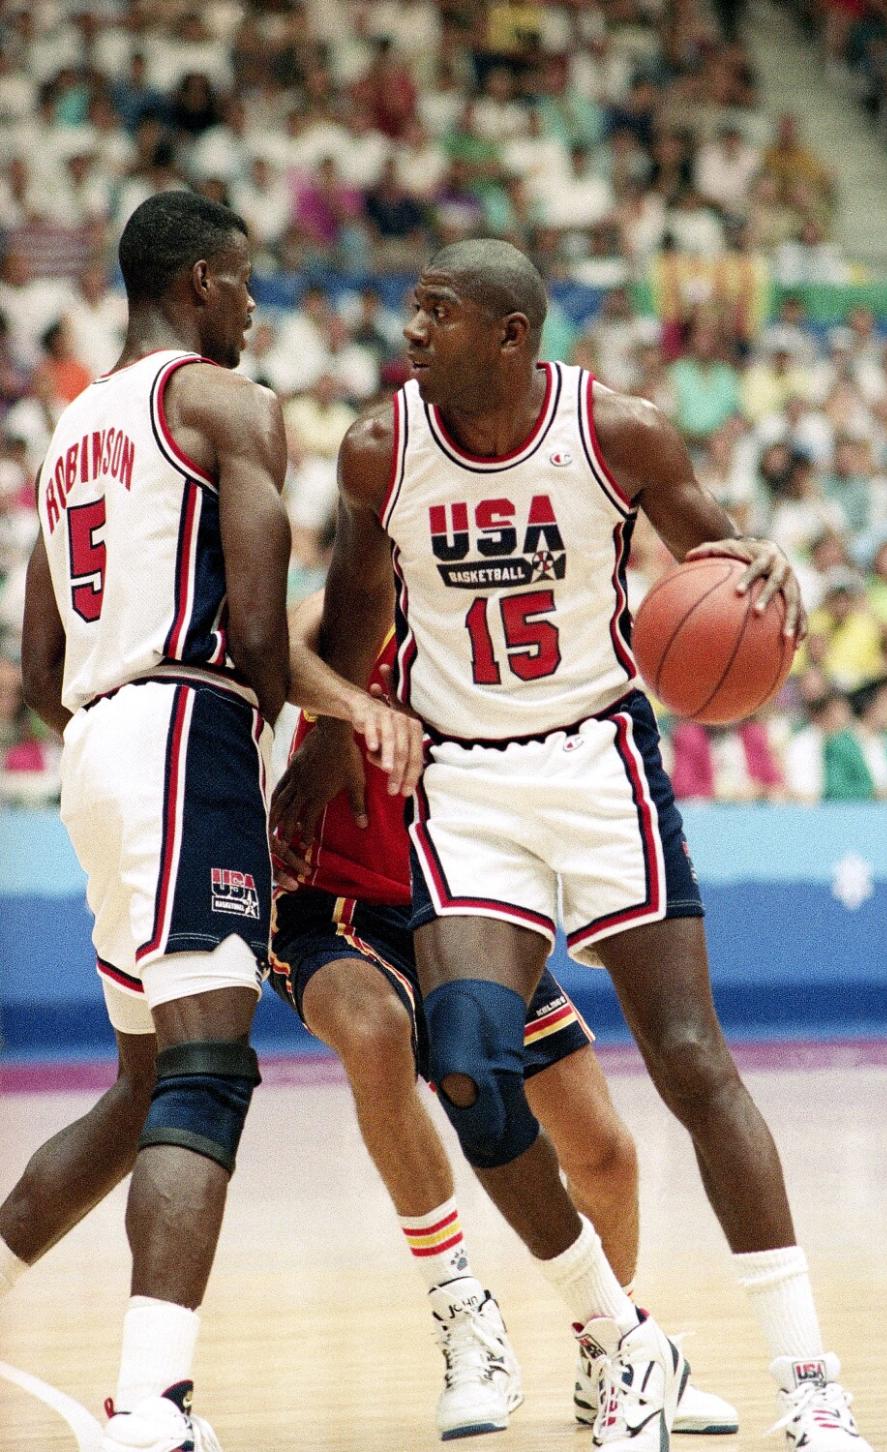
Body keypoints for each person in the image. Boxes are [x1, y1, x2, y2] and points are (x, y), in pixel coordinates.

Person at [275, 238, 876, 1452]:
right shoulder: (378, 450)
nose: (413, 330)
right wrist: (327, 743)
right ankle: (625, 1343)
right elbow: (349, 610)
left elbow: (724, 567)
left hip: (602, 761)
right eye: (412, 309)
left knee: (694, 1062)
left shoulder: (622, 433)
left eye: (438, 313)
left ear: (511, 335)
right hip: (470, 788)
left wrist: (768, 571)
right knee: (463, 1064)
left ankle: (811, 1381)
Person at [0, 190, 416, 1452]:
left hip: (96, 752)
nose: (253, 302)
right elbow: (252, 625)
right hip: (188, 733)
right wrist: (316, 733)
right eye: (240, 280)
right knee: (207, 1068)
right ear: (192, 282)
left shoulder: (73, 429)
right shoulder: (231, 406)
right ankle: (152, 1405)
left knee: (141, 1088)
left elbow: (31, 668)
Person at [269, 599, 739, 1441]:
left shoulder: (504, 624)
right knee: (375, 1035)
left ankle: (617, 1354)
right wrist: (350, 708)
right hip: (328, 900)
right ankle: (464, 1320)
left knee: (605, 1151)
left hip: (462, 907)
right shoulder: (356, 604)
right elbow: (277, 653)